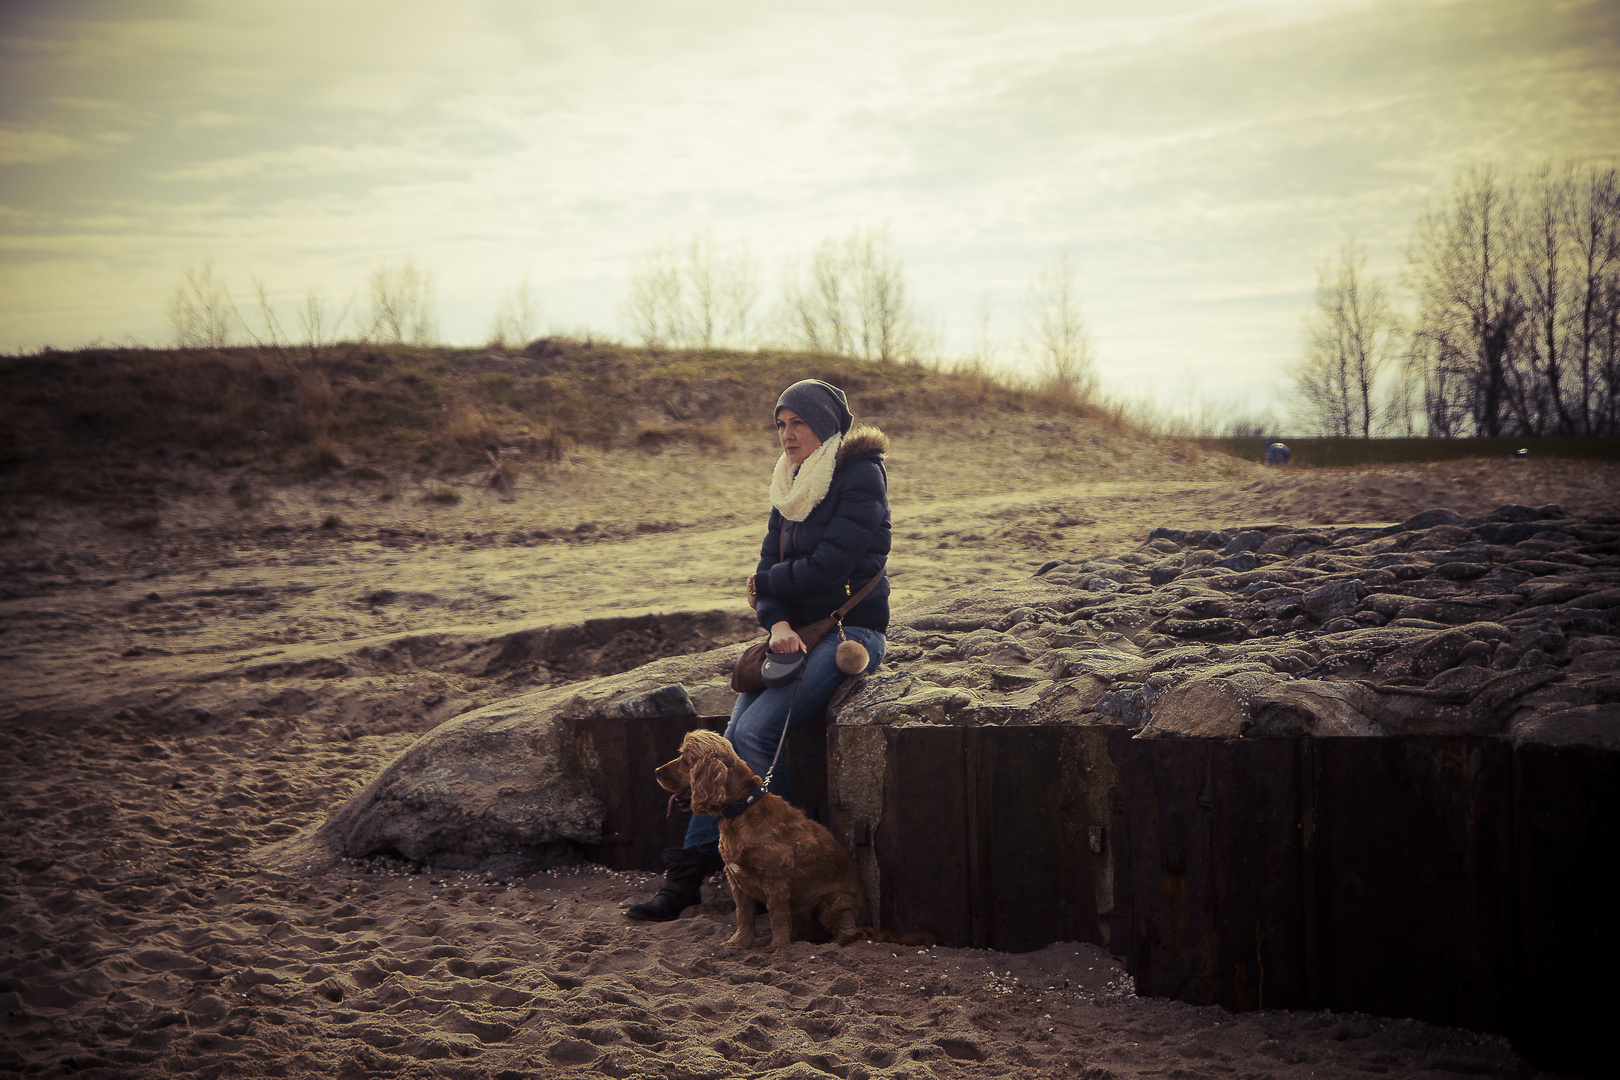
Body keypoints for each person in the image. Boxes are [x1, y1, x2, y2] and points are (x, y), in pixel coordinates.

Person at [627, 379, 891, 922]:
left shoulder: (860, 476)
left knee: (750, 735)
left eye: (797, 423)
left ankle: (784, 858)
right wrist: (775, 623)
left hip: (849, 633)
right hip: (793, 633)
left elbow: (829, 569)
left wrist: (769, 585)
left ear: (826, 426)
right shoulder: (789, 483)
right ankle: (688, 874)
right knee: (727, 741)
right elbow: (766, 579)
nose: (786, 435)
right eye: (780, 424)